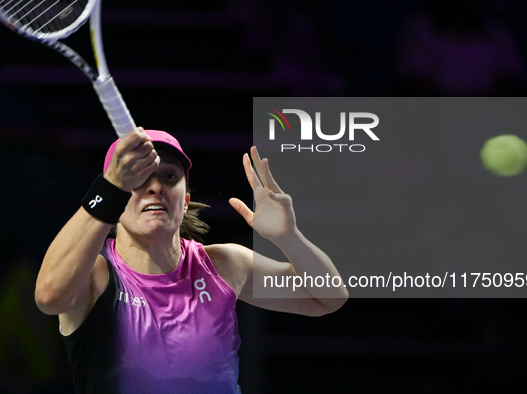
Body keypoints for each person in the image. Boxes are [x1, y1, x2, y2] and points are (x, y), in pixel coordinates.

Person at [35, 128, 348, 393]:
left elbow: (328, 297)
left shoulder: (223, 264)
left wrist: (288, 237)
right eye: (138, 178)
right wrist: (109, 189)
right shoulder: (95, 276)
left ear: (184, 202)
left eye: (169, 176)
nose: (156, 187)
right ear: (115, 197)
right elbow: (49, 297)